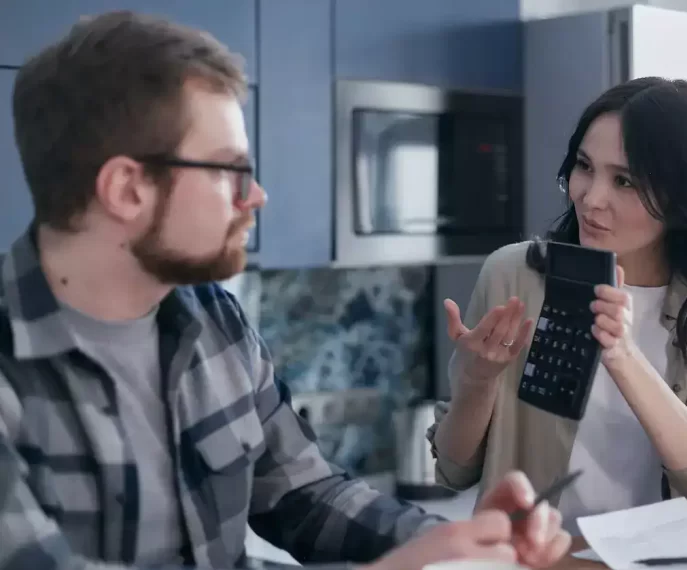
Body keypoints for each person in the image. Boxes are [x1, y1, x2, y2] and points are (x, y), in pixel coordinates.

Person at [0, 11, 571, 570]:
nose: (257, 197)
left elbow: (304, 494)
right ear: (128, 189)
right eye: (230, 171)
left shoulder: (214, 320)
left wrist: (452, 542)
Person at [427, 77, 687, 527]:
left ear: (683, 196)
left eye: (624, 180)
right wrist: (477, 382)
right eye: (584, 167)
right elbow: (452, 470)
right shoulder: (513, 276)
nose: (590, 197)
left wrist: (623, 354)